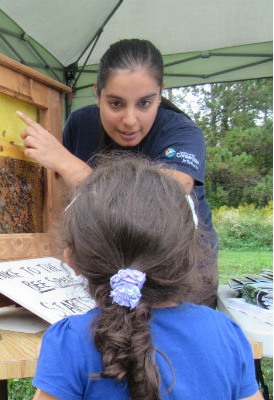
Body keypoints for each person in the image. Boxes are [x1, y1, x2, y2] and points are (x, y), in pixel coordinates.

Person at [32, 156, 261, 400]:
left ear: (72, 261)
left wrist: (57, 360)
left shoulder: (69, 343)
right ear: (190, 257)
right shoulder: (226, 334)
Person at [17, 38, 218, 308]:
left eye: (145, 103)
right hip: (106, 271)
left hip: (177, 282)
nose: (130, 120)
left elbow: (157, 198)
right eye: (116, 104)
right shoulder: (79, 124)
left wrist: (66, 163)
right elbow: (68, 199)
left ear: (161, 93)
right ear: (97, 92)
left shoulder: (182, 134)